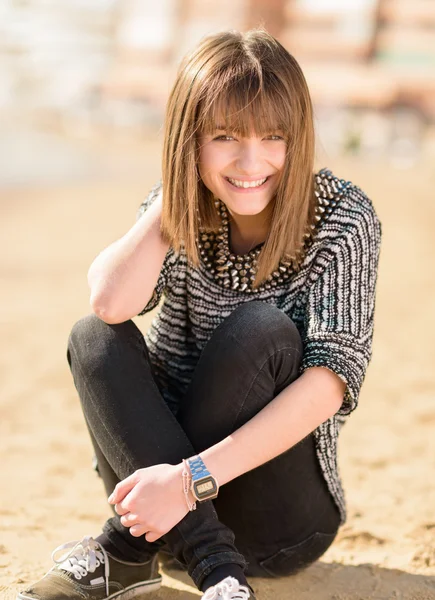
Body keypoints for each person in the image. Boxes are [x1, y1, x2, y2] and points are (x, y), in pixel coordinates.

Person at [18, 28, 382, 600]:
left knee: (261, 330)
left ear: (299, 138)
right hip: (157, 499)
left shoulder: (342, 216)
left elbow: (331, 384)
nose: (250, 160)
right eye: (223, 136)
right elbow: (109, 302)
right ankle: (211, 565)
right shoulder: (178, 206)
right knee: (94, 337)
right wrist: (178, 197)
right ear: (190, 140)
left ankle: (124, 553)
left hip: (275, 519)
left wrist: (187, 482)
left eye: (273, 136)